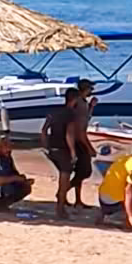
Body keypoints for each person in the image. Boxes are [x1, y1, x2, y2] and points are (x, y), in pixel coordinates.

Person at [40, 87, 82, 219]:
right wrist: (73, 152)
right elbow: (69, 134)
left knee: (62, 177)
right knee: (64, 180)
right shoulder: (71, 114)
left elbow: (43, 130)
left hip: (53, 148)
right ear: (74, 99)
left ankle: (61, 205)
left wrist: (46, 146)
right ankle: (60, 209)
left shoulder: (55, 112)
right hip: (64, 149)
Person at [0, 134, 33, 209]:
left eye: (10, 147)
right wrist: (16, 178)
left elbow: (13, 174)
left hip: (2, 188)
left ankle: (2, 205)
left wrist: (23, 180)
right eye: (7, 147)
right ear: (0, 147)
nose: (10, 149)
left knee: (25, 187)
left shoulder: (7, 158)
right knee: (11, 187)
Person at [68, 77, 98, 207]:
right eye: (91, 88)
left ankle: (78, 200)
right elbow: (80, 129)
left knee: (80, 171)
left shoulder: (84, 103)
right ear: (85, 89)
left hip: (79, 138)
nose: (92, 90)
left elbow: (86, 118)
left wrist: (91, 107)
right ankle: (63, 192)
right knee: (84, 171)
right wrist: (89, 147)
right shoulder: (79, 103)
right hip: (78, 140)